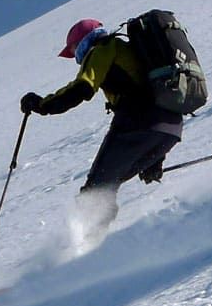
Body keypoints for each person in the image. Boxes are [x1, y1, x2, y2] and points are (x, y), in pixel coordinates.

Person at [21, 17, 182, 243]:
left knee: (95, 192)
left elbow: (82, 88)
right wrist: (154, 161)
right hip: (170, 129)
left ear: (82, 42)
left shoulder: (103, 49)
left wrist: (41, 104)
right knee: (108, 185)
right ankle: (95, 243)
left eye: (74, 49)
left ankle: (87, 248)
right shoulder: (128, 49)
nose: (75, 56)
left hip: (136, 124)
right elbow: (149, 90)